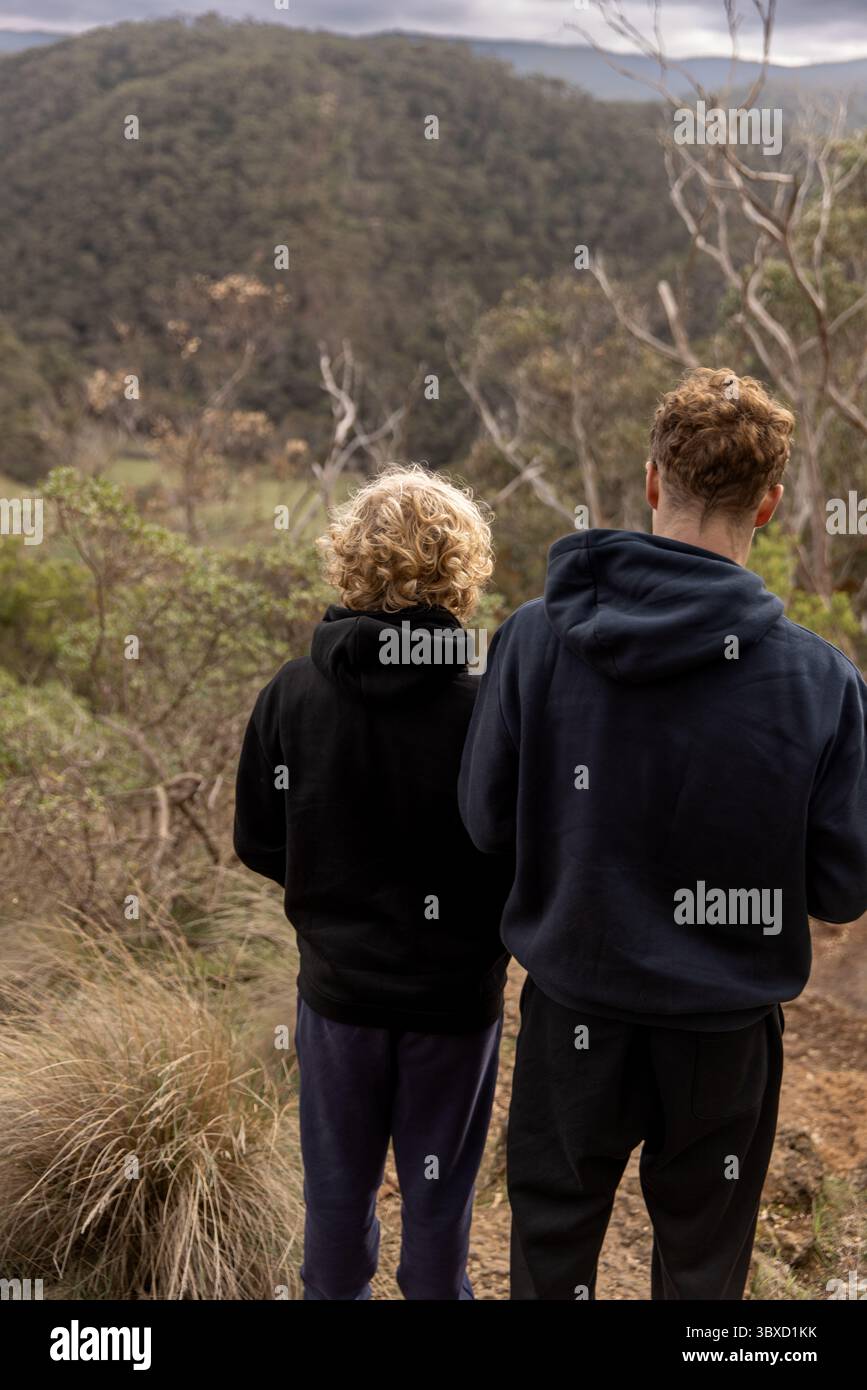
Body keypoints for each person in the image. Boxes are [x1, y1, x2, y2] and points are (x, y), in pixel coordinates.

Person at [458, 368, 867, 1300]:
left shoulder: (531, 639)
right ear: (766, 504)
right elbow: (843, 886)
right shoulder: (820, 683)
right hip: (721, 1039)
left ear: (651, 481)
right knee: (702, 1281)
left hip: (572, 1015)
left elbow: (484, 823)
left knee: (550, 1260)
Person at [234, 464, 510, 1300]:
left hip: (338, 1000)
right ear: (460, 574)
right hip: (454, 1008)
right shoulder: (488, 707)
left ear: (349, 563)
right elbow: (516, 851)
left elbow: (258, 842)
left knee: (333, 1196)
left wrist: (328, 895)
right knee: (439, 1207)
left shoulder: (292, 696)